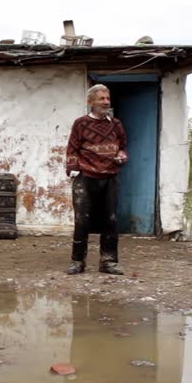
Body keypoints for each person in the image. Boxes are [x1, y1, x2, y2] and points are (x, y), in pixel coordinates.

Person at [65, 84, 128, 275]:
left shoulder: (116, 124)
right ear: (90, 102)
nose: (106, 102)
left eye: (107, 98)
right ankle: (78, 261)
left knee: (110, 220)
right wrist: (73, 168)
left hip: (110, 177)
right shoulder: (81, 123)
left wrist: (123, 156)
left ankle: (108, 262)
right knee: (82, 220)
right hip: (86, 177)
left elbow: (123, 146)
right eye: (101, 99)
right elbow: (72, 148)